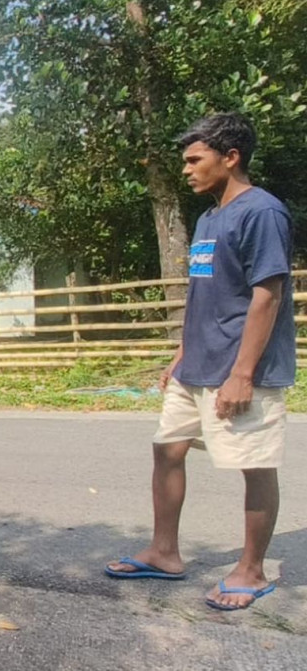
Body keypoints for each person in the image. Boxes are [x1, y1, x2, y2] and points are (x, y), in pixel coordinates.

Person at [104, 113, 294, 612]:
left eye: (195, 159)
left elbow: (266, 297)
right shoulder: (210, 218)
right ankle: (164, 552)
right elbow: (203, 292)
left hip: (241, 370)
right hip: (197, 366)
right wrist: (182, 353)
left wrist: (242, 373)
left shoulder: (263, 213)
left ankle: (251, 570)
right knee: (167, 449)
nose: (186, 169)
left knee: (254, 465)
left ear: (230, 157)